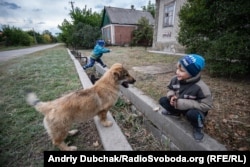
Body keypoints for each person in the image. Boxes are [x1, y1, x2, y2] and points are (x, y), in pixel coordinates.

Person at [159, 54, 213, 141]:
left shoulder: (201, 88)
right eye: (177, 68)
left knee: (193, 114)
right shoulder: (175, 79)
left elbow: (206, 105)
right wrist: (171, 95)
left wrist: (184, 103)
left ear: (192, 73)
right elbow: (170, 89)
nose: (177, 72)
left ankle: (198, 127)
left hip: (192, 109)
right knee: (163, 100)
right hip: (178, 105)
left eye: (182, 70)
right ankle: (175, 113)